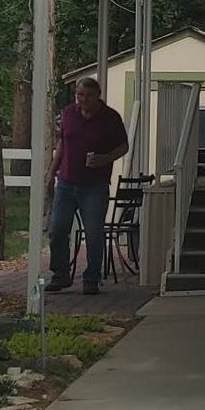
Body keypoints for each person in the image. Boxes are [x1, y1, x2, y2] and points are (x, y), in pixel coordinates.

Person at [48, 76, 129, 295]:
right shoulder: (68, 114)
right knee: (57, 229)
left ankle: (91, 278)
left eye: (88, 96)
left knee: (93, 232)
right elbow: (62, 143)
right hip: (66, 182)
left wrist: (105, 159)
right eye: (79, 95)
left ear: (98, 96)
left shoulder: (110, 118)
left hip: (94, 185)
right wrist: (51, 172)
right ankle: (60, 274)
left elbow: (123, 146)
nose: (83, 100)